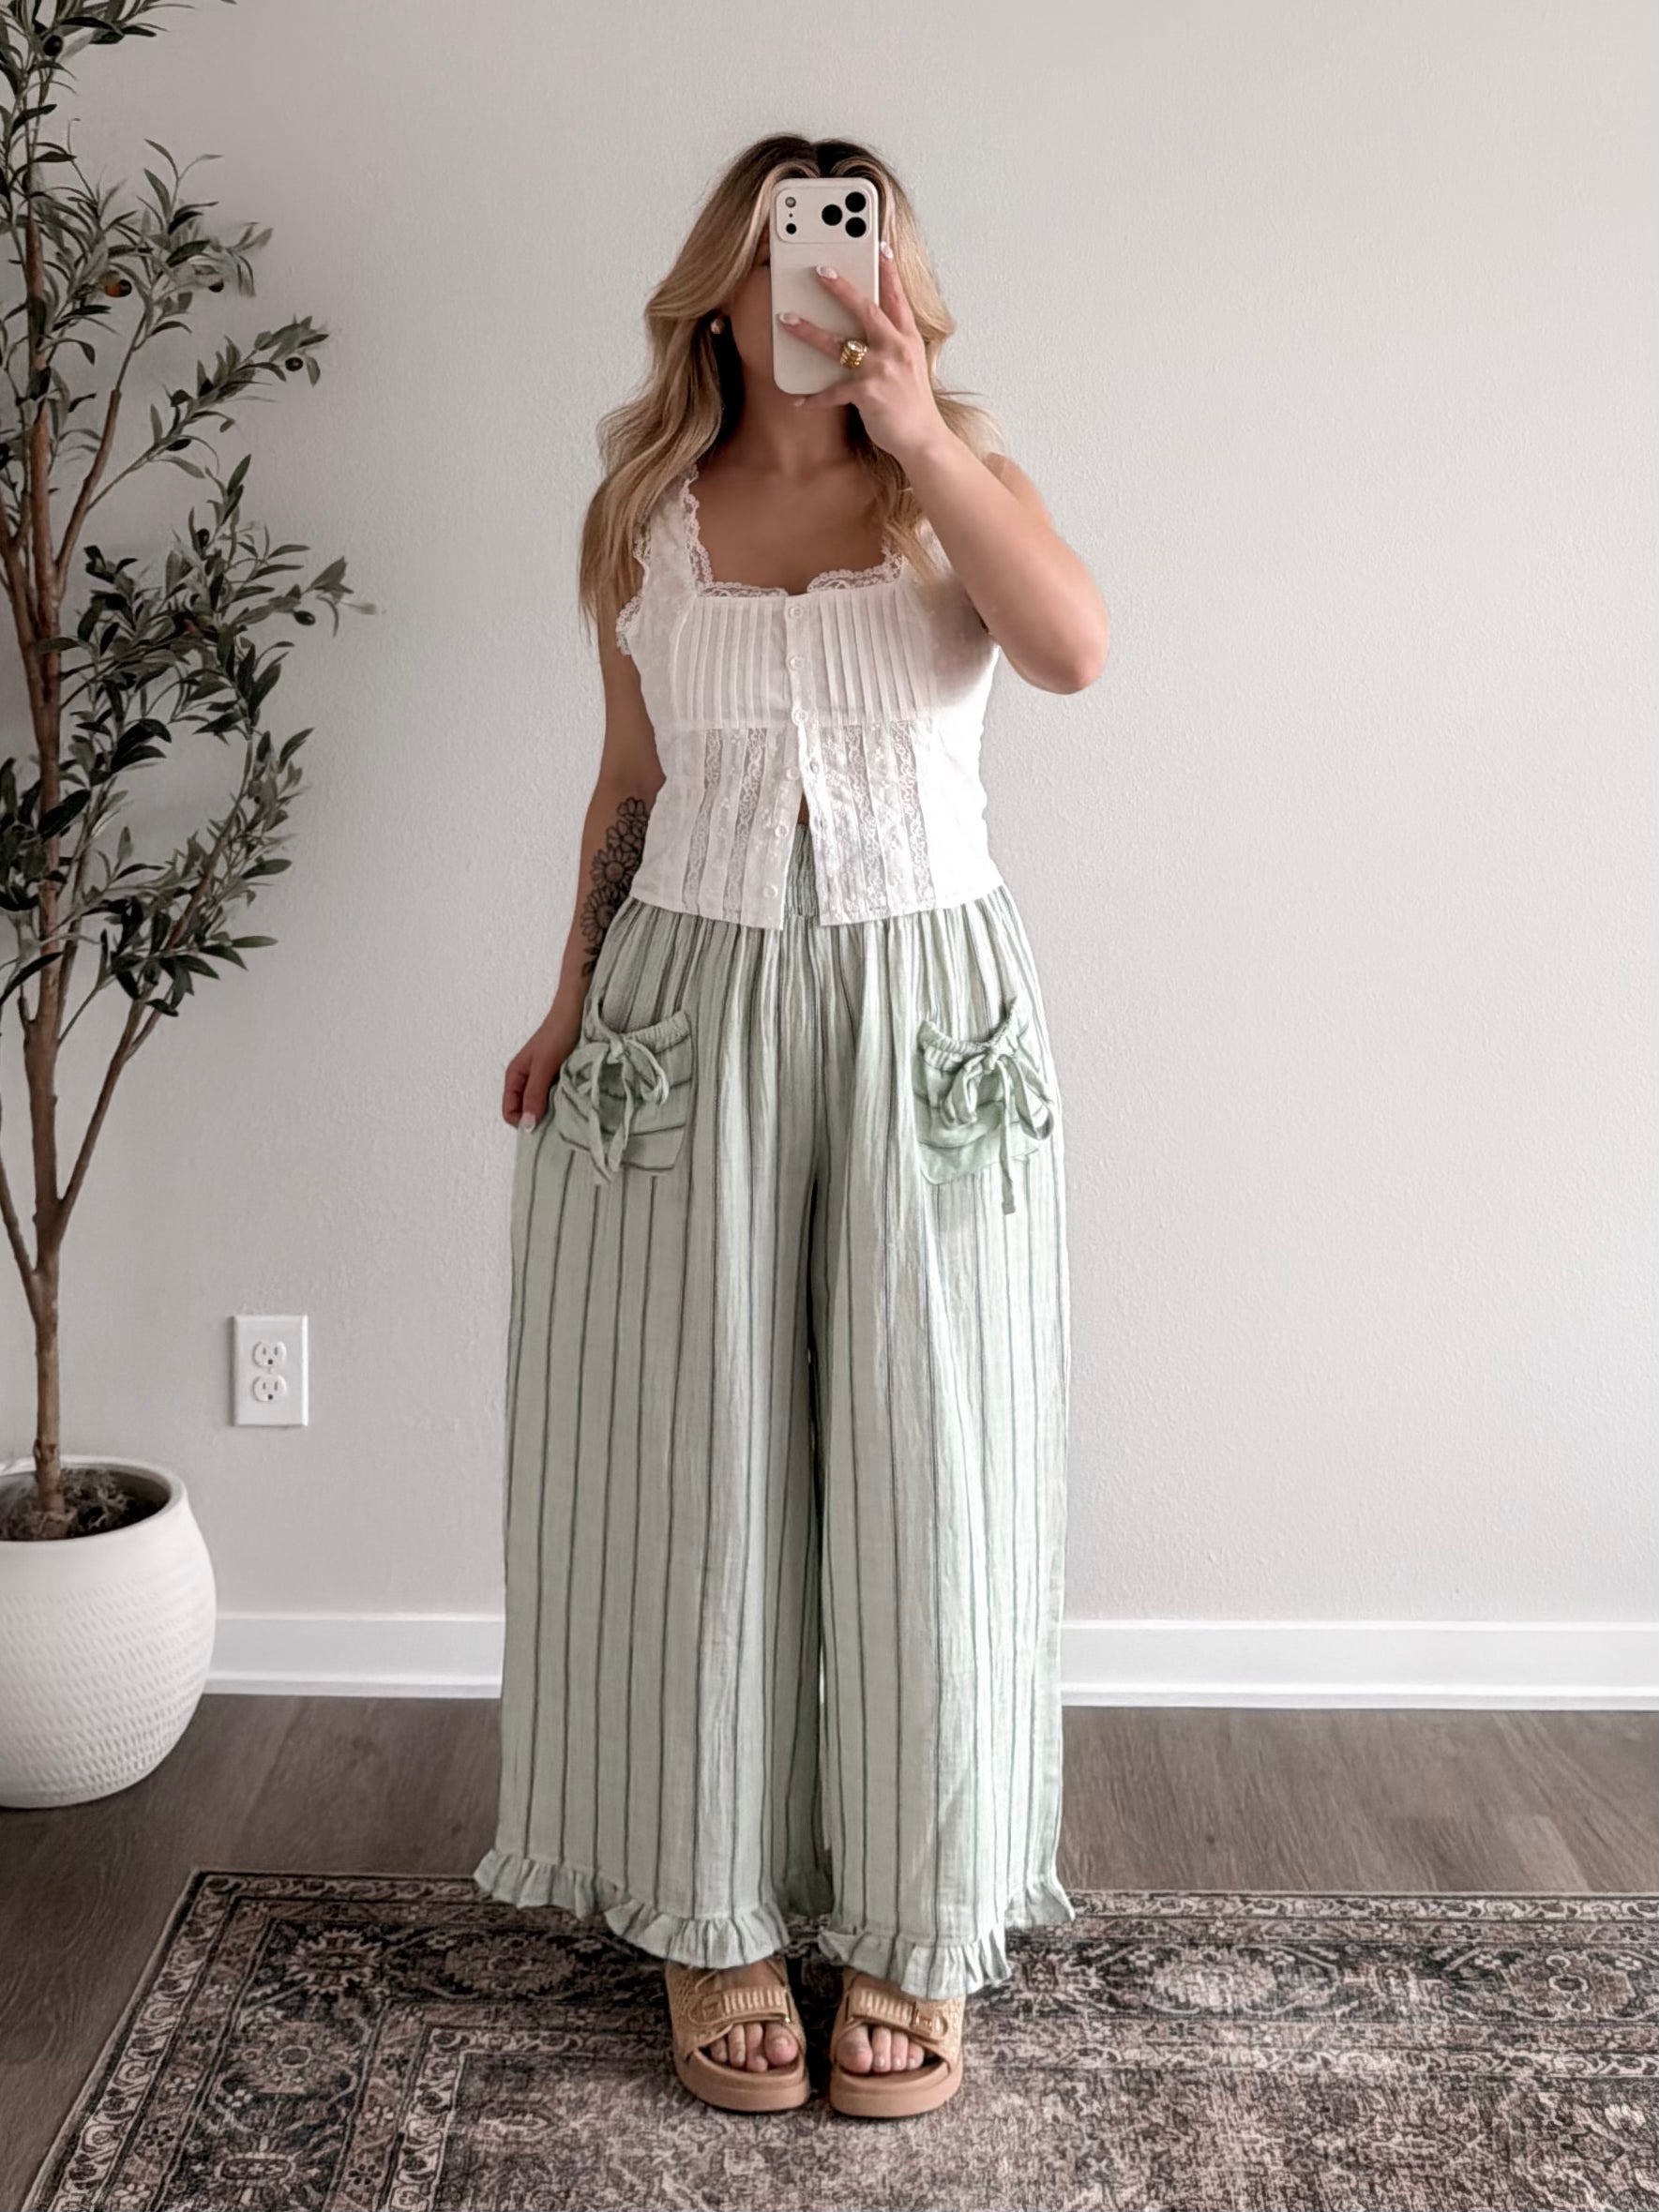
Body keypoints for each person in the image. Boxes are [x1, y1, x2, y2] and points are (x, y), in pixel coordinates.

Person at [475, 132, 1109, 2119]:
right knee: (694, 1469)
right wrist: (570, 998)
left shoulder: (956, 491)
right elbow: (629, 781)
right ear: (722, 289)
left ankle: (920, 1927)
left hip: (928, 1020)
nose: (823, 289)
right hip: (688, 1008)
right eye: (786, 253)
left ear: (901, 286)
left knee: (936, 1460)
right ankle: (712, 1914)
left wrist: (918, 436)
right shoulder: (644, 517)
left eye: (859, 254)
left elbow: (1075, 651)